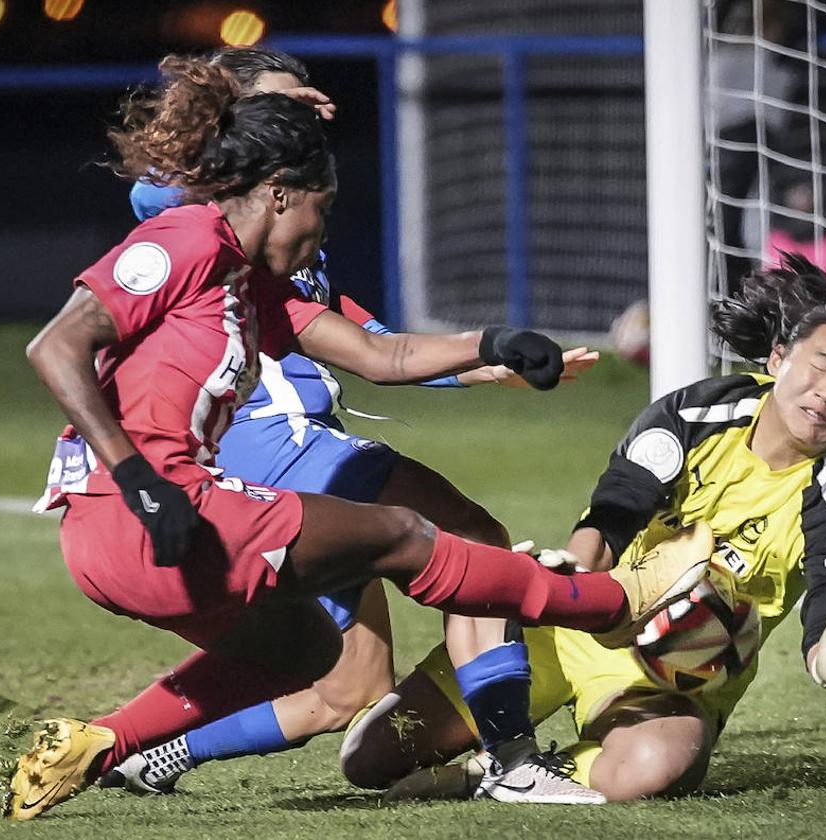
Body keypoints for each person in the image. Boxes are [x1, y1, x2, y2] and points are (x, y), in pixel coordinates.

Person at [4, 55, 712, 820]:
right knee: (414, 533)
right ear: (277, 191)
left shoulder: (247, 286)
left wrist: (495, 342)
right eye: (322, 207)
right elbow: (55, 346)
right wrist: (141, 479)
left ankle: (103, 745)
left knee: (316, 661)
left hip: (147, 538)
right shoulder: (186, 238)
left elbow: (385, 355)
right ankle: (606, 602)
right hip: (142, 507)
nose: (322, 234)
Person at [97, 46, 601, 805]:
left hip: (278, 468)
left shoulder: (288, 234)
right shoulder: (203, 212)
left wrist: (483, 365)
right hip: (282, 447)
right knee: (473, 541)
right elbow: (150, 192)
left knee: (346, 690)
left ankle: (155, 750)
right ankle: (514, 759)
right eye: (279, 111)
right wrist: (255, 101)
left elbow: (374, 346)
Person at [340, 254, 826, 802]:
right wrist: (573, 572)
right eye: (819, 365)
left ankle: (498, 772)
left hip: (670, 683)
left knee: (658, 765)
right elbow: (614, 513)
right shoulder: (696, 414)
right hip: (577, 622)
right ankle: (506, 740)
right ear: (778, 360)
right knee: (371, 760)